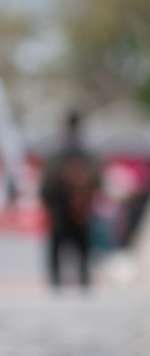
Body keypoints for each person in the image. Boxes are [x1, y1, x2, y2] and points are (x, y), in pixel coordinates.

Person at [40, 111, 102, 289]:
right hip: (76, 213)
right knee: (81, 252)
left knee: (60, 253)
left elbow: (46, 187)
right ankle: (80, 282)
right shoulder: (87, 156)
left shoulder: (58, 156)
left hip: (63, 212)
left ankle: (59, 284)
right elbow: (98, 182)